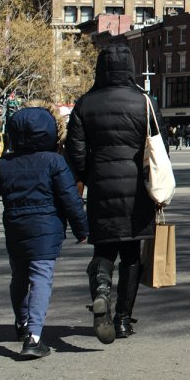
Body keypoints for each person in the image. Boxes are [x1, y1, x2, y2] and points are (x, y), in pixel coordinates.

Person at [0, 107, 89, 359]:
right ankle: (34, 337)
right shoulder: (54, 161)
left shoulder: (4, 165)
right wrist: (82, 229)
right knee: (41, 278)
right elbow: (70, 199)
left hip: (15, 229)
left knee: (19, 277)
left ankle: (22, 324)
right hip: (47, 229)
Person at [66, 44, 166, 344]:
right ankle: (123, 319)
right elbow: (160, 147)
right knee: (132, 255)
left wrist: (87, 177)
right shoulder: (144, 102)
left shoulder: (85, 104)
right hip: (138, 190)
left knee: (104, 249)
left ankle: (100, 291)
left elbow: (76, 154)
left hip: (101, 187)